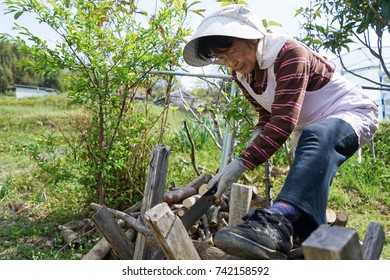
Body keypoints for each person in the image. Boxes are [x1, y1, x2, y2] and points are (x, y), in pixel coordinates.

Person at [183, 4, 379, 260]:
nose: (232, 63)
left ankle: (275, 220)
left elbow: (284, 121)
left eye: (233, 52)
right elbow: (268, 114)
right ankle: (323, 255)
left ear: (252, 38)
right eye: (224, 59)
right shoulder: (241, 76)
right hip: (310, 133)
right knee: (307, 221)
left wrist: (241, 163)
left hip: (348, 114)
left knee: (315, 137)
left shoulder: (289, 53)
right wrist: (255, 137)